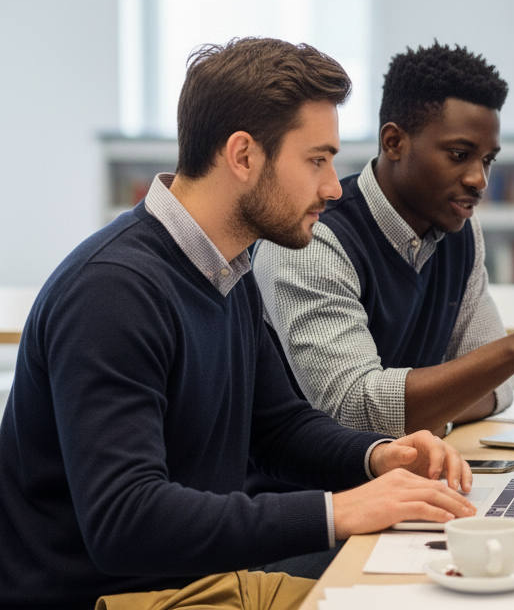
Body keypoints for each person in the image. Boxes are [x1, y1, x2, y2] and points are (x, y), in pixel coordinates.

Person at [0, 38, 480, 610]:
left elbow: (277, 427)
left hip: (199, 576)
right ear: (244, 155)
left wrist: (378, 456)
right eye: (317, 160)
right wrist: (339, 510)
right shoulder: (113, 293)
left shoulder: (226, 268)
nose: (333, 187)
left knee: (439, 578)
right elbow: (124, 520)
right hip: (121, 597)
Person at [252, 43, 514, 442]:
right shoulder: (313, 241)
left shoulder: (459, 232)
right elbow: (355, 409)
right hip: (315, 495)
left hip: (405, 477)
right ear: (393, 143)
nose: (479, 180)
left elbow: (498, 388)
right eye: (459, 154)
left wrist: (430, 414)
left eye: (488, 160)